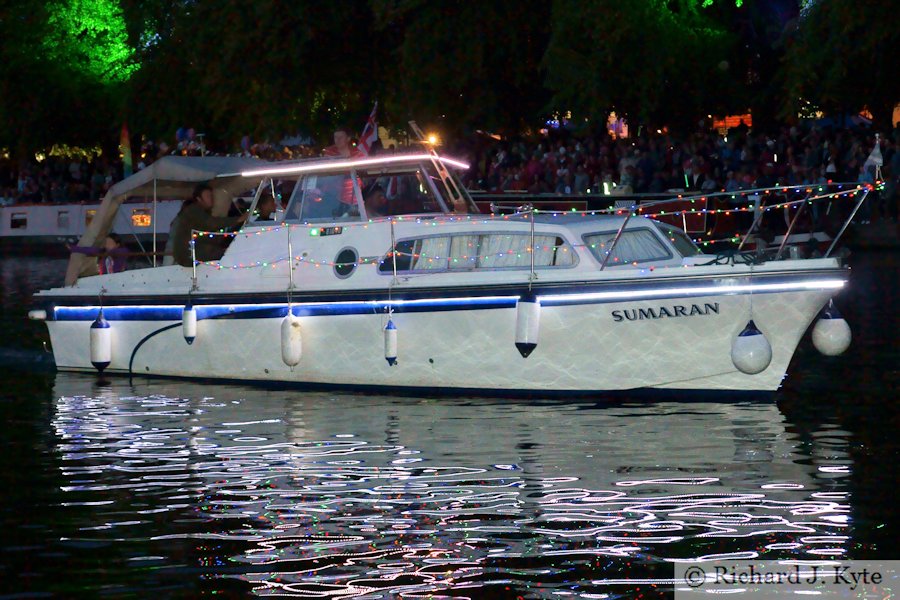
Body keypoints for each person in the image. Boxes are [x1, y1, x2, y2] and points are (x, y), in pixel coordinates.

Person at [170, 183, 248, 267]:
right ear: (199, 199)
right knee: (226, 255)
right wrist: (238, 219)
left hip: (191, 251)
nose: (211, 199)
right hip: (189, 253)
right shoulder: (194, 210)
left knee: (225, 253)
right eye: (207, 196)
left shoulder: (202, 213)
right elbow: (211, 223)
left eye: (211, 196)